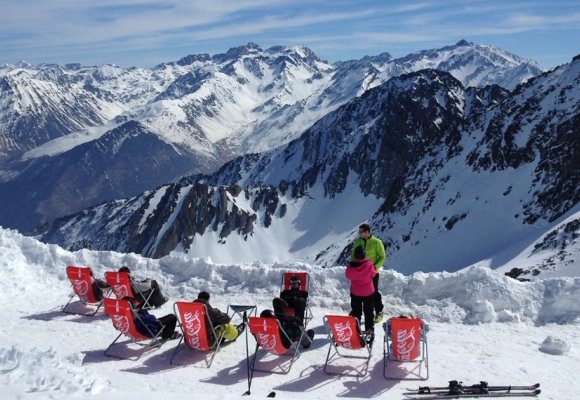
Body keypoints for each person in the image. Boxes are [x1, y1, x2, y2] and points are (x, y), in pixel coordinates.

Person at [351, 223, 386, 322]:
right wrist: (355, 265)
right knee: (356, 292)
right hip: (359, 272)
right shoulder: (358, 241)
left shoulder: (377, 242)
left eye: (361, 232)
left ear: (367, 232)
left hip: (372, 272)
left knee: (373, 292)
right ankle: (355, 311)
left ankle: (379, 311)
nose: (359, 234)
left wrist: (374, 267)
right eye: (359, 232)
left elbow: (382, 257)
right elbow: (353, 253)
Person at [346, 245, 376, 342]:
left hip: (355, 292)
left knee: (356, 312)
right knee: (369, 311)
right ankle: (369, 330)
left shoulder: (351, 266)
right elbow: (373, 274)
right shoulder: (369, 264)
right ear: (364, 254)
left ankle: (357, 330)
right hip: (368, 291)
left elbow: (348, 276)